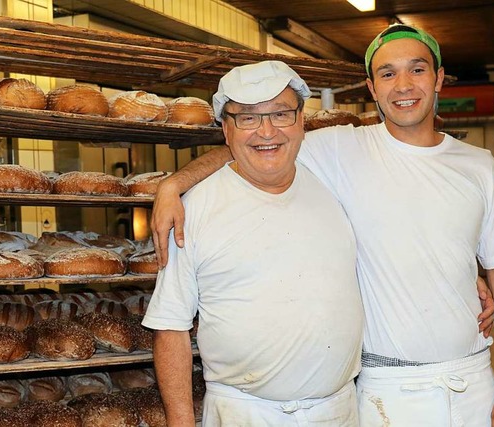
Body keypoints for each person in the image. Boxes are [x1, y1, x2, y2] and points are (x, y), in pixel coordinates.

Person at [150, 24, 494, 427]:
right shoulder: (340, 149)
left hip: (472, 379)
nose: (403, 85)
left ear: (438, 78)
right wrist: (173, 185)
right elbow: (256, 148)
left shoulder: (479, 166)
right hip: (385, 386)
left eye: (417, 70)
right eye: (387, 73)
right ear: (371, 87)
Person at [143, 61, 365, 426]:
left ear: (301, 121)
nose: (267, 131)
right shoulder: (194, 210)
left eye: (280, 113)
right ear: (225, 130)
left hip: (338, 410)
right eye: (247, 118)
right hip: (244, 413)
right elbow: (171, 326)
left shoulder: (333, 180)